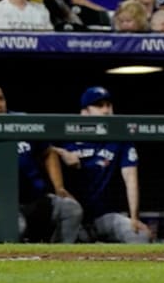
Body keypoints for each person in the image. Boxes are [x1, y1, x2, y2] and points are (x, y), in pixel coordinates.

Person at [0, 84, 82, 243]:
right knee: (13, 225)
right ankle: (12, 263)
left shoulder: (22, 121)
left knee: (71, 209)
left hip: (34, 200)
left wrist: (59, 187)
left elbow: (48, 152)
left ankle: (57, 259)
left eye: (0, 98)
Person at [45, 87, 150, 244]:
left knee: (139, 236)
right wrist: (61, 152)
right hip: (73, 219)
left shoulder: (119, 139)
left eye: (108, 105)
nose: (106, 110)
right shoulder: (66, 135)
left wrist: (134, 217)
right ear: (84, 112)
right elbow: (41, 147)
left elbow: (130, 177)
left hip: (104, 216)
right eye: (99, 106)